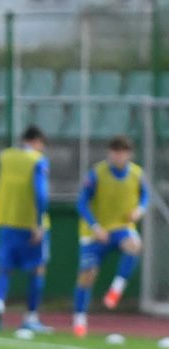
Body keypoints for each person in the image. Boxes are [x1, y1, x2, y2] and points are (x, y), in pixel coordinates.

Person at [72, 134, 148, 337]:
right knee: (87, 275)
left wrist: (140, 210)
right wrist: (95, 227)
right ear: (109, 153)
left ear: (129, 154)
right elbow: (81, 203)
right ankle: (79, 319)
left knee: (134, 245)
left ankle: (116, 289)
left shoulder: (136, 173)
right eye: (115, 152)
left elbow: (145, 196)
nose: (118, 157)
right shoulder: (97, 174)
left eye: (122, 153)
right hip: (96, 232)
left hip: (121, 226)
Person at [0, 125, 51, 333]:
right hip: (30, 224)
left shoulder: (5, 156)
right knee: (37, 269)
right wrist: (39, 223)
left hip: (7, 221)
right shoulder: (37, 161)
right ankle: (31, 316)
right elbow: (41, 194)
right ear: (36, 141)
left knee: (4, 268)